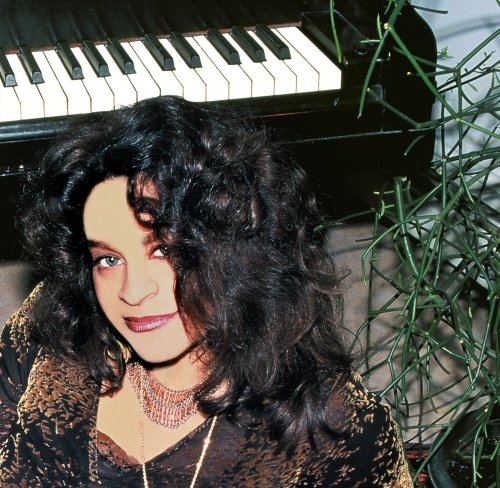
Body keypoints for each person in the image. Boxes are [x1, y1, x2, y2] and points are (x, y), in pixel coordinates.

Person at [0, 96, 412, 487]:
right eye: (108, 259)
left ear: (236, 247)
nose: (133, 291)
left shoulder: (337, 425)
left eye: (165, 250)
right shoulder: (53, 332)